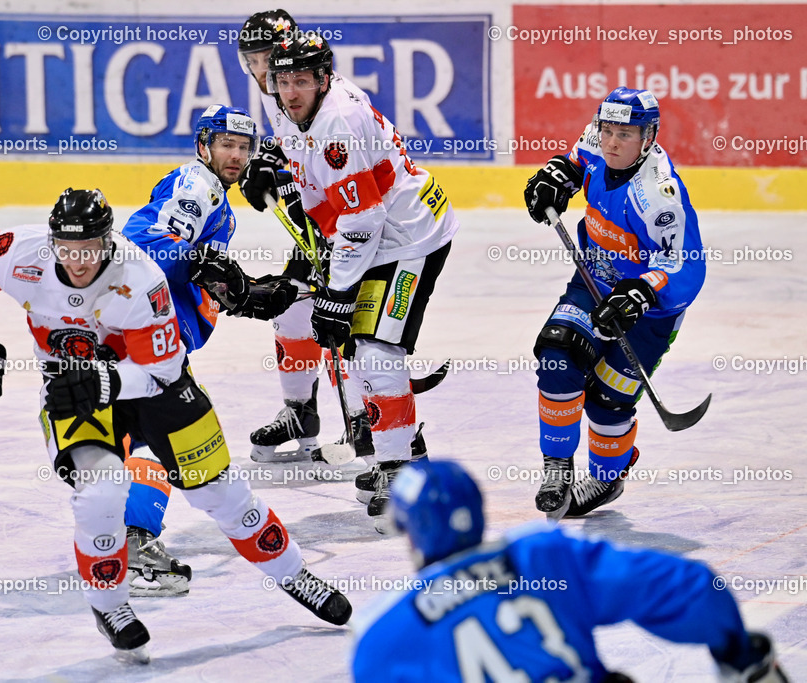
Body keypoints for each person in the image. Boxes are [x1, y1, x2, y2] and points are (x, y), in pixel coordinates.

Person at [0, 188, 351, 661]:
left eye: (90, 250)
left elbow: (160, 371)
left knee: (220, 494)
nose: (78, 262)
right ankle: (110, 606)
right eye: (67, 249)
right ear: (53, 242)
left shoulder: (137, 278)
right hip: (72, 388)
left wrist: (102, 378)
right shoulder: (17, 254)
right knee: (100, 491)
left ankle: (294, 574)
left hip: (152, 383)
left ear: (108, 240)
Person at [350, 459, 789, 682]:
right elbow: (694, 590)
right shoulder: (540, 556)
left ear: (412, 533)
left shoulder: (381, 632)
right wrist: (738, 652)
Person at [266, 34, 458, 525]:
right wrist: (277, 176)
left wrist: (337, 292)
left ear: (323, 79)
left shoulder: (337, 122)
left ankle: (400, 474)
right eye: (282, 81)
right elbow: (315, 182)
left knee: (375, 350)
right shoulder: (295, 110)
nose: (290, 92)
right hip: (377, 238)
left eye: (302, 81)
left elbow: (363, 218)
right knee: (360, 350)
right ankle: (407, 455)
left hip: (408, 239)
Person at [117, 104, 298, 593]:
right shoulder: (198, 186)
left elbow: (185, 259)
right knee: (163, 437)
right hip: (144, 332)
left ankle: (118, 544)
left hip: (142, 328)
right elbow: (156, 249)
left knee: (135, 437)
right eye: (226, 145)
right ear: (204, 146)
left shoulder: (204, 187)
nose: (236, 155)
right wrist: (223, 278)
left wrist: (241, 291)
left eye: (244, 147)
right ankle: (133, 547)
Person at [523, 87, 706, 519]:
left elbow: (685, 265)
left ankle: (607, 477)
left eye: (625, 133)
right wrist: (554, 178)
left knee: (607, 401)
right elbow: (575, 163)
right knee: (557, 354)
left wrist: (643, 292)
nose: (611, 142)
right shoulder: (594, 141)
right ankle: (557, 469)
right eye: (607, 129)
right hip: (593, 280)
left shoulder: (659, 194)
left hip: (648, 312)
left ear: (649, 137)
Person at [237, 9, 377, 464]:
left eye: (265, 57)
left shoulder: (327, 102)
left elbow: (346, 173)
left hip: (361, 222)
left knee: (343, 315)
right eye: (250, 60)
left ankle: (364, 413)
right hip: (324, 217)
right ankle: (301, 411)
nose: (261, 71)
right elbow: (292, 141)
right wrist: (267, 161)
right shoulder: (280, 87)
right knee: (294, 310)